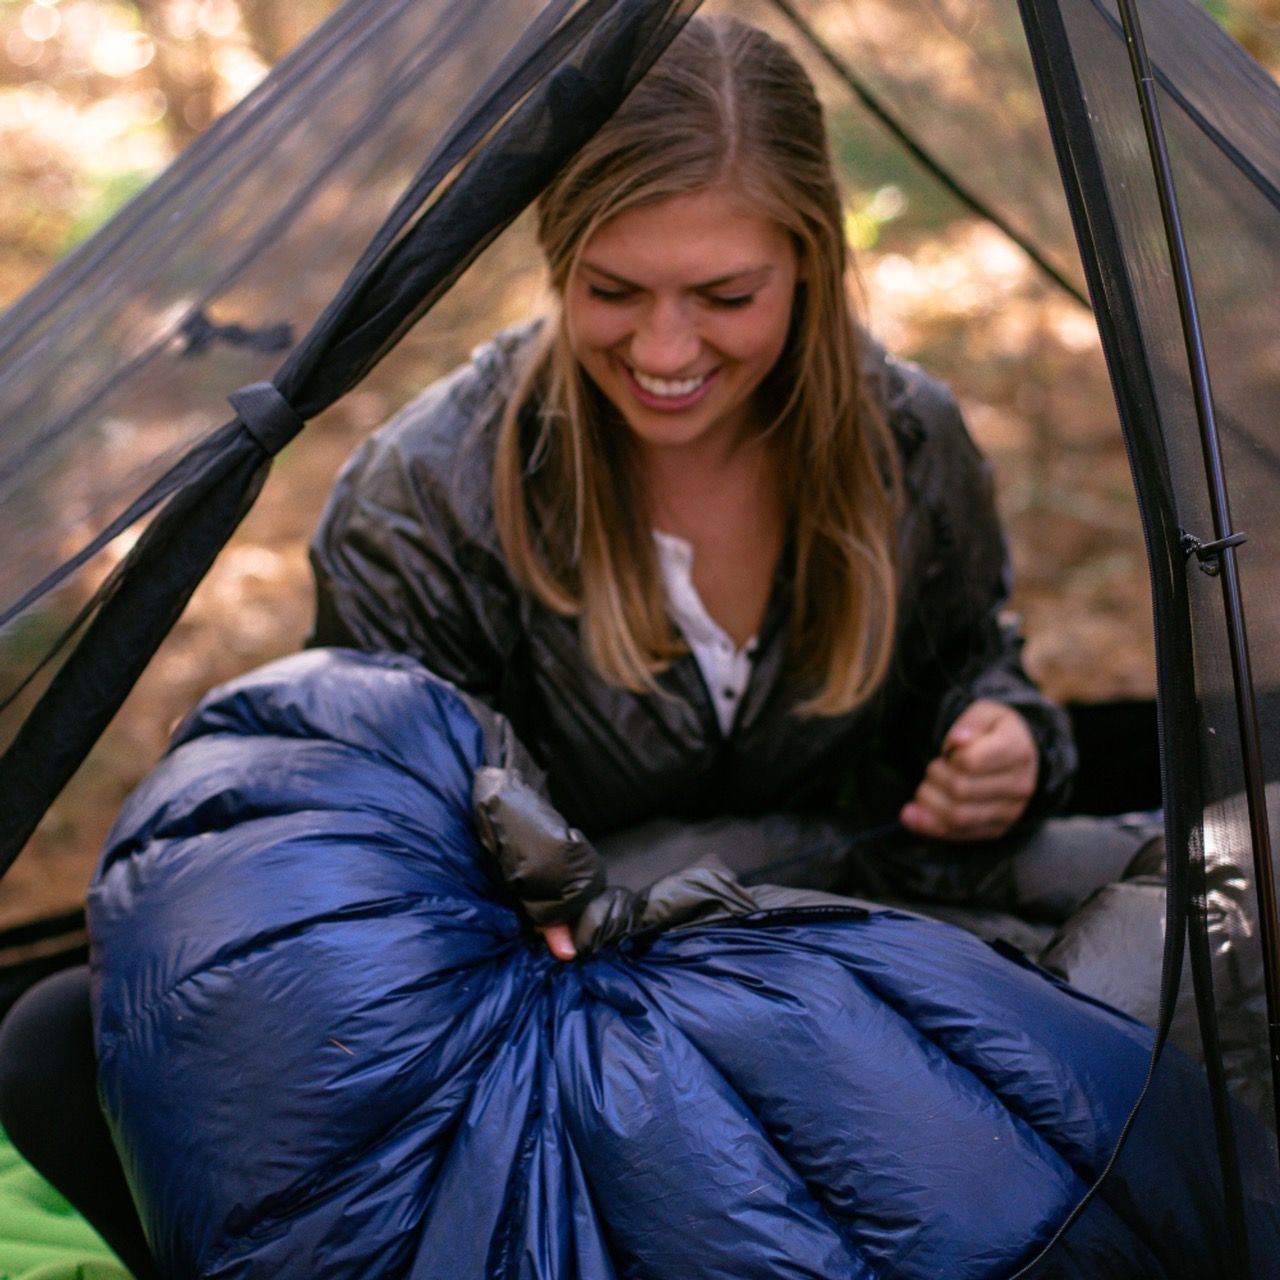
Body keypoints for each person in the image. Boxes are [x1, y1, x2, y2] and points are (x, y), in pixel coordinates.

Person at [308, 14, 1079, 960]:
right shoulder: (424, 501)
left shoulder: (906, 441)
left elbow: (968, 666)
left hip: (855, 935)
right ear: (556, 261)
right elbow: (382, 859)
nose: (665, 352)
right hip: (567, 1007)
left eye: (725, 298)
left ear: (808, 261)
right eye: (613, 292)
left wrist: (1008, 742)